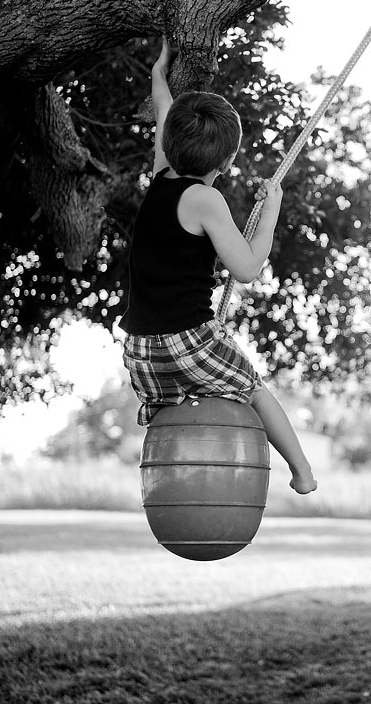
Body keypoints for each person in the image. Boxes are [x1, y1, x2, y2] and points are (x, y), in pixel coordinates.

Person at [120, 38, 317, 494]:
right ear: (228, 161)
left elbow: (165, 108)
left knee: (201, 394)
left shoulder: (160, 175)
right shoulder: (205, 199)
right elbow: (246, 268)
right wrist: (270, 213)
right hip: (185, 343)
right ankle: (302, 472)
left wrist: (159, 72)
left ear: (168, 143)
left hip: (140, 355)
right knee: (253, 388)